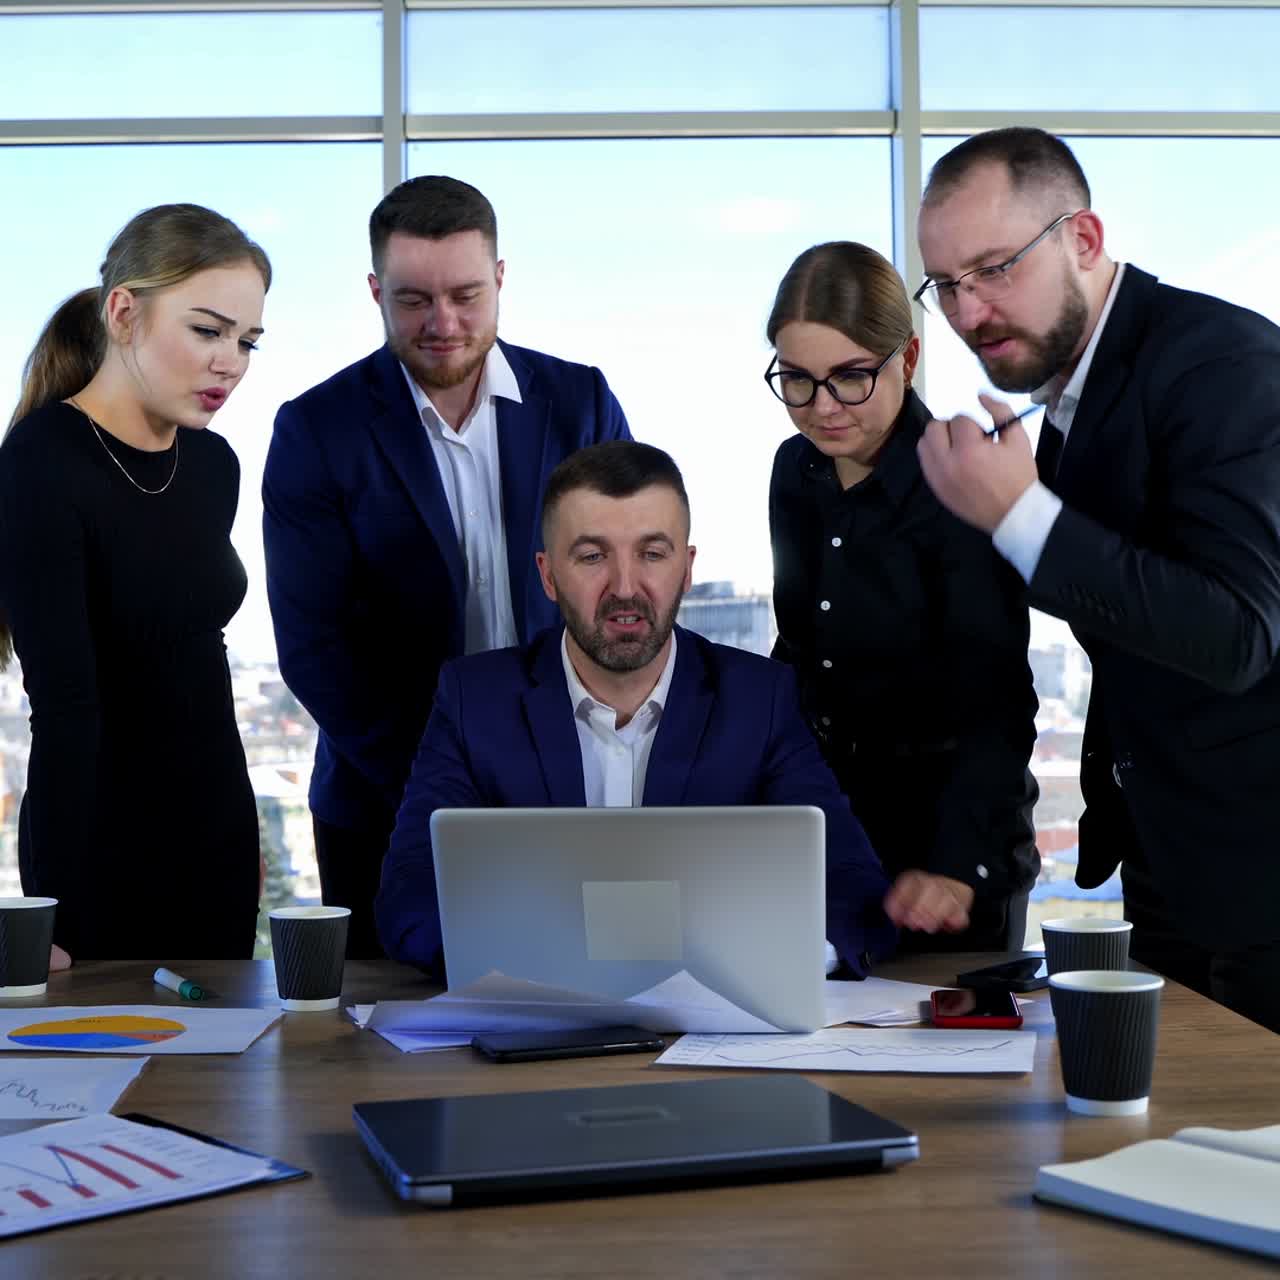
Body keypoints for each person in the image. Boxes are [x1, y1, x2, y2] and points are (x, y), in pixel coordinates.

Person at [914, 127, 1280, 1033]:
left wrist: (1019, 516)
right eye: (948, 284)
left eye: (995, 268)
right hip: (1173, 868)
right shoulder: (1070, 405)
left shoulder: (1221, 363)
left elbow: (1238, 633)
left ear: (1082, 240)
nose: (968, 313)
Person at [376, 440, 979, 977]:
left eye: (652, 554)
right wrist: (554, 958)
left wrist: (783, 955)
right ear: (549, 575)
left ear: (688, 568)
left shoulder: (758, 699)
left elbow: (848, 890)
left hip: (709, 1038)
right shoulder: (473, 699)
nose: (625, 587)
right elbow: (408, 901)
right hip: (530, 1024)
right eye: (591, 556)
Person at [263, 176, 631, 958]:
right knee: (376, 1050)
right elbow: (315, 647)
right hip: (381, 806)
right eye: (413, 300)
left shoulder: (581, 403)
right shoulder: (315, 430)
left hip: (570, 800)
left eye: (465, 293)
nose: (443, 324)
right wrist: (449, 784)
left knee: (583, 1025)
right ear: (374, 291)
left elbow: (627, 594)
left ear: (500, 278)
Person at [0, 203, 270, 963]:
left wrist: (239, 835)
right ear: (124, 313)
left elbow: (199, 667)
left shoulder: (215, 466)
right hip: (99, 855)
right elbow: (64, 706)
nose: (232, 362)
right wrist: (48, 907)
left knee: (224, 1076)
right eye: (208, 331)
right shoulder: (41, 462)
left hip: (217, 840)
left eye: (247, 341)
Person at [764, 242, 1040, 952]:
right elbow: (799, 655)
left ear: (908, 359)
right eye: (796, 379)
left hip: (948, 854)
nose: (822, 408)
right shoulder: (795, 472)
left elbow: (997, 700)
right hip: (829, 842)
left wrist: (957, 867)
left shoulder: (959, 476)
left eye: (851, 377)